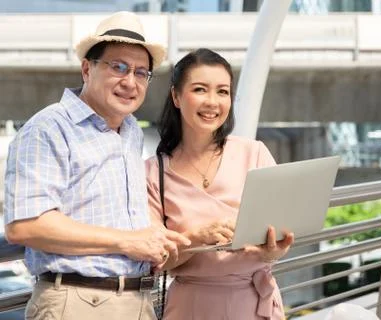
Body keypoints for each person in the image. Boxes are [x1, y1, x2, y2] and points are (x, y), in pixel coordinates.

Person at [3, 11, 190, 320]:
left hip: (138, 300)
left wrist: (153, 236)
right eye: (118, 67)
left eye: (141, 72)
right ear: (87, 69)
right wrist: (128, 241)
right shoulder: (49, 127)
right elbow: (24, 225)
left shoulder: (129, 131)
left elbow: (114, 215)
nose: (130, 81)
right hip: (77, 302)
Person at [145, 48, 294, 320]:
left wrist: (275, 250)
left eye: (223, 92)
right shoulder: (153, 173)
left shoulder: (255, 153)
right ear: (176, 96)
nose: (213, 102)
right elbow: (156, 261)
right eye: (200, 90)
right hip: (189, 307)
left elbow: (279, 238)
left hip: (253, 303)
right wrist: (196, 237)